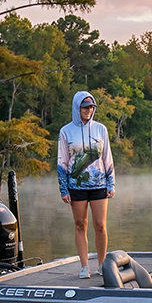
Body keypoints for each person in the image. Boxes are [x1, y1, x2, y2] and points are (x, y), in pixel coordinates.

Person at [58, 91, 115, 278]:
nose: (89, 110)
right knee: (80, 224)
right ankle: (84, 266)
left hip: (99, 185)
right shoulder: (66, 131)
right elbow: (62, 161)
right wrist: (63, 188)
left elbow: (107, 157)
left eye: (91, 107)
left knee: (100, 225)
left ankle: (101, 265)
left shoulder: (101, 129)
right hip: (76, 187)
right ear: (77, 108)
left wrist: (111, 183)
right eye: (85, 107)